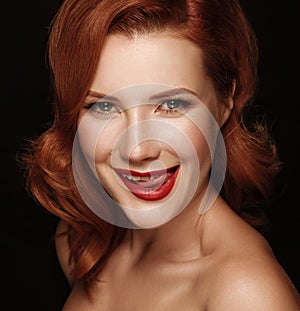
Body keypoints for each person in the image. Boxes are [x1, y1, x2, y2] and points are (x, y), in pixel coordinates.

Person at [22, 0, 300, 309]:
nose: (138, 150)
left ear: (225, 100)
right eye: (103, 107)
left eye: (171, 106)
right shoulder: (79, 240)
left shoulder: (247, 294)